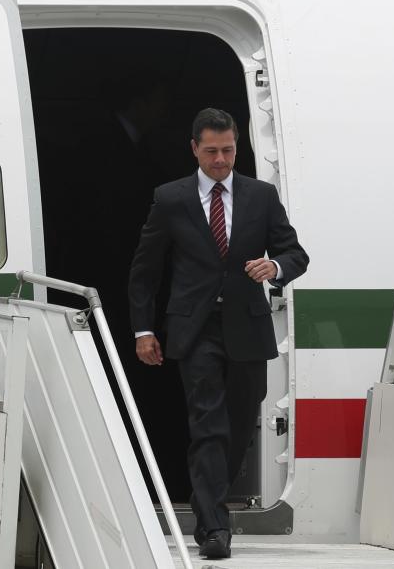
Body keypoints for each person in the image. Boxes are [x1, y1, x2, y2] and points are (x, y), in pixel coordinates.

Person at [128, 107, 309, 559]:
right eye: (211, 151)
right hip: (196, 328)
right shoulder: (171, 199)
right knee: (207, 426)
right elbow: (145, 271)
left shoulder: (261, 196)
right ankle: (213, 527)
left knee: (239, 424)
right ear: (194, 149)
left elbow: (295, 253)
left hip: (247, 326)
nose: (221, 160)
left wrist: (276, 266)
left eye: (228, 150)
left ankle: (209, 500)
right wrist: (143, 329)